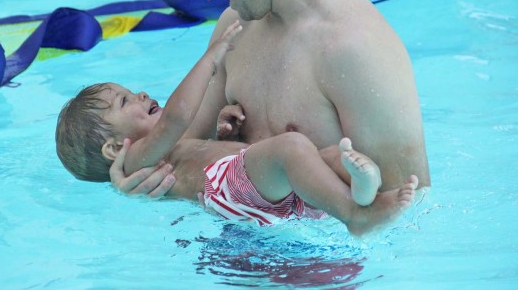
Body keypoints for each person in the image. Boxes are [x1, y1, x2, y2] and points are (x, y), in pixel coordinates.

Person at [109, 0, 430, 198]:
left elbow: (406, 210)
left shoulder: (357, 49)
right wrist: (132, 176)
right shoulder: (234, 28)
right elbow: (171, 149)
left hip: (321, 263)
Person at [56, 21, 418, 236]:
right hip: (226, 189)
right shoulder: (135, 158)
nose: (140, 94)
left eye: (130, 91)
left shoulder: (166, 150)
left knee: (320, 157)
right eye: (125, 102)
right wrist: (211, 57)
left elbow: (198, 149)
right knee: (292, 148)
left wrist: (222, 135)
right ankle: (356, 215)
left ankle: (361, 189)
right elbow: (178, 115)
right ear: (113, 148)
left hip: (248, 189)